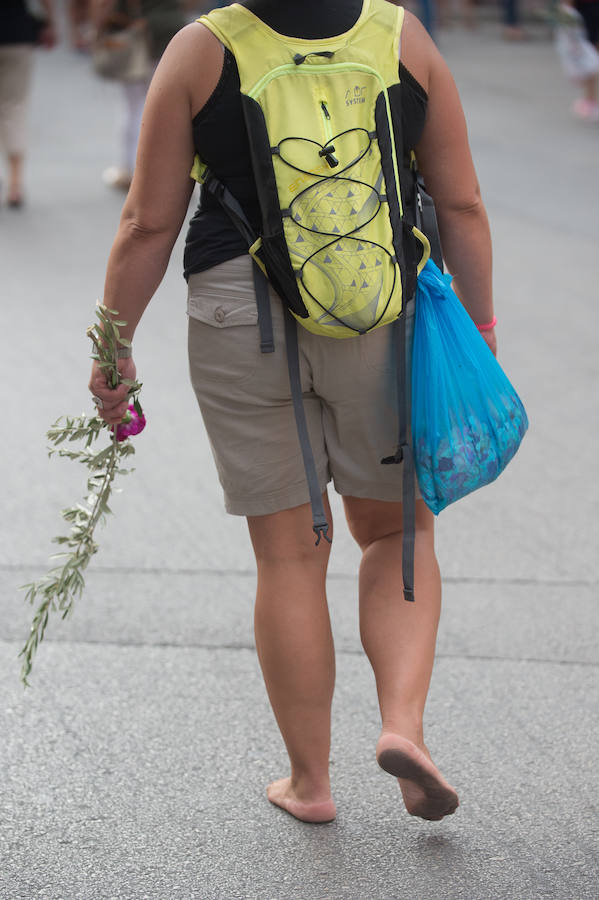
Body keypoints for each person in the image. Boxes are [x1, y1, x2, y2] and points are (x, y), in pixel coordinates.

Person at [89, 0, 496, 824]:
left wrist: (112, 350)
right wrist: (480, 332)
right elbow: (460, 206)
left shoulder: (201, 50)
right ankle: (402, 728)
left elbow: (146, 221)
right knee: (394, 531)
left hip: (241, 312)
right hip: (383, 309)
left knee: (288, 556)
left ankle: (310, 784)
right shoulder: (399, 36)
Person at [90, 0, 186, 190]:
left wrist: (98, 29)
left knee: (133, 106)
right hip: (173, 30)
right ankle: (170, 173)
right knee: (170, 106)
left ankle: (132, 170)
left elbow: (101, 4)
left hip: (138, 31)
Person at [0, 0, 57, 208]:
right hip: (17, 35)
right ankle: (15, 184)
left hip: (18, 35)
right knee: (14, 108)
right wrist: (51, 23)